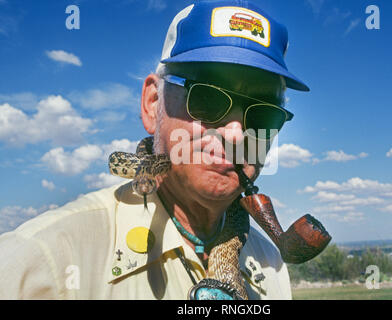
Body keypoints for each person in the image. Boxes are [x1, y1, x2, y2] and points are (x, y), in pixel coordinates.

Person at [0, 0, 309, 299]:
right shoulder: (41, 263)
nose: (236, 133)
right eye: (207, 98)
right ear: (152, 104)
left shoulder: (271, 264)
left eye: (264, 113)